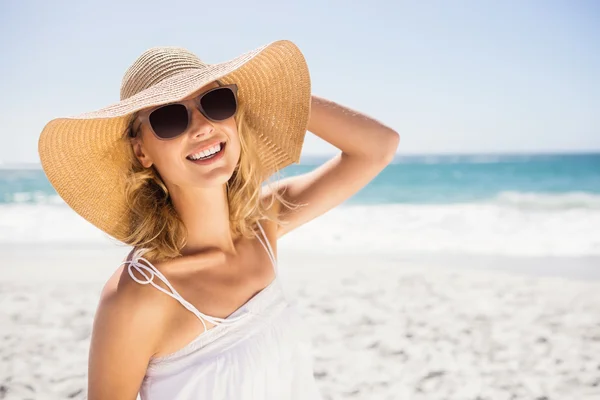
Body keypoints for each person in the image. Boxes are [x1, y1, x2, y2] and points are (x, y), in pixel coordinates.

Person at [38, 39, 399, 400]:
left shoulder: (262, 224)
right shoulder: (138, 296)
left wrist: (277, 95)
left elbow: (378, 147)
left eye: (216, 102)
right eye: (169, 117)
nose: (202, 126)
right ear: (141, 150)